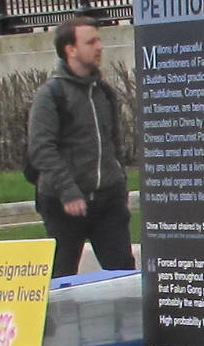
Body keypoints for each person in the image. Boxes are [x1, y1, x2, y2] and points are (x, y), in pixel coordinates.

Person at [25, 16, 134, 278]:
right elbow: (41, 148)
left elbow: (112, 143)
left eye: (99, 40)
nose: (98, 47)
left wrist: (119, 183)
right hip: (63, 203)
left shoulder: (104, 92)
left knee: (123, 274)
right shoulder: (52, 95)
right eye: (90, 42)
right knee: (63, 278)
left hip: (108, 200)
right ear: (70, 49)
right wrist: (68, 191)